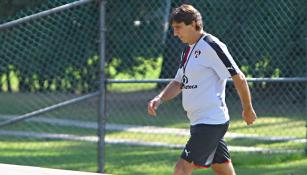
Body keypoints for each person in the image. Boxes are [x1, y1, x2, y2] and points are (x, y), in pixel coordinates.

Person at [147, 4, 257, 175]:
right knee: (223, 168)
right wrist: (159, 98)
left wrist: (248, 109)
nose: (175, 33)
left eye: (178, 28)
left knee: (181, 169)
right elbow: (178, 82)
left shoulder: (211, 45)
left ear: (193, 24)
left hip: (211, 122)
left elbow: (239, 77)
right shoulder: (187, 50)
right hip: (198, 122)